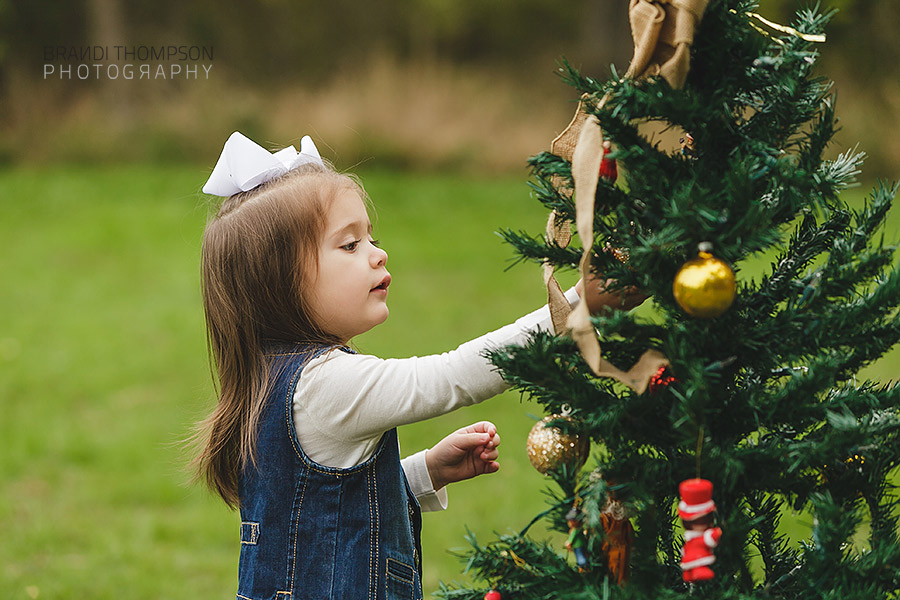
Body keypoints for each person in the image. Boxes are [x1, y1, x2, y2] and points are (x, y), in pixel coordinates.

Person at [192, 132, 643, 600]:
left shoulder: (272, 379)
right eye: (349, 245)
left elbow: (326, 513)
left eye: (372, 237)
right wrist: (576, 306)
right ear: (279, 284)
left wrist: (427, 472)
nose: (377, 252)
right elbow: (454, 376)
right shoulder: (325, 384)